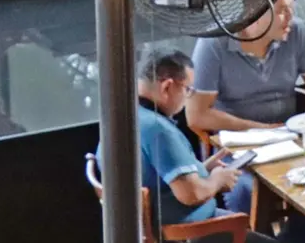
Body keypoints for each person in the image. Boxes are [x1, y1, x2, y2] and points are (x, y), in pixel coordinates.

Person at [189, 0, 305, 231]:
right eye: (282, 11)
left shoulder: (296, 31)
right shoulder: (213, 43)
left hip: (289, 139)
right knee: (245, 192)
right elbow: (196, 115)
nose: (290, 17)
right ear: (252, 14)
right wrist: (260, 129)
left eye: (291, 8)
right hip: (237, 147)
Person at [108, 48, 275, 243]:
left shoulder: (126, 115)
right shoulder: (159, 129)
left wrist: (201, 169)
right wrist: (217, 180)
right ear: (167, 87)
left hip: (150, 224)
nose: (188, 96)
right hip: (187, 232)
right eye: (188, 89)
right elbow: (191, 195)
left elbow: (161, 176)